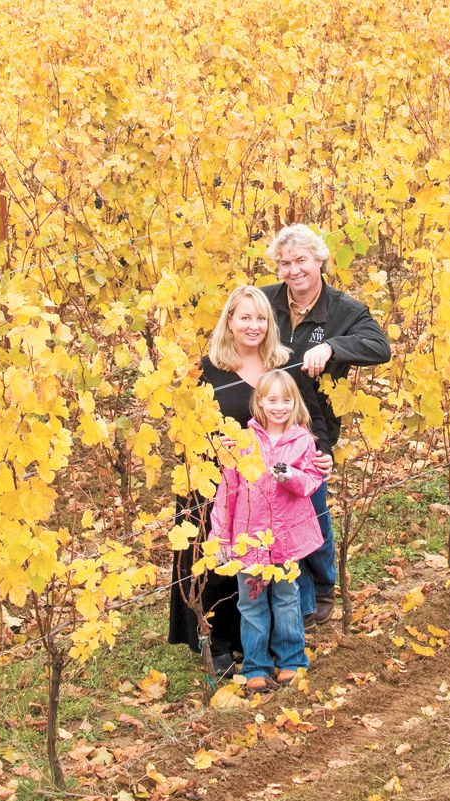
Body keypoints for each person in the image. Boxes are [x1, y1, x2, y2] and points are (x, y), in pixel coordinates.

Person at [167, 286, 330, 676]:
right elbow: (183, 430)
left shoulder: (284, 365)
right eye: (245, 317)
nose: (253, 325)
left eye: (261, 318)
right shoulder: (207, 370)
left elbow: (312, 417)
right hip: (217, 481)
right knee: (218, 559)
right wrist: (210, 443)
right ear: (230, 321)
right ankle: (219, 643)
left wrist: (322, 451)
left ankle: (261, 647)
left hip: (273, 489)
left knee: (266, 566)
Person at [261, 224, 391, 626]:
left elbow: (379, 346)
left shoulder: (343, 310)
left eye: (301, 260)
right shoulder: (266, 300)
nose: (293, 270)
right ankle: (282, 592)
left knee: (311, 505)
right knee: (271, 503)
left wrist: (333, 346)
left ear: (319, 260)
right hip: (265, 421)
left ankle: (320, 589)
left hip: (314, 425)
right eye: (284, 263)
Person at [209, 370, 323, 692]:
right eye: (272, 400)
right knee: (252, 603)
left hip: (286, 540)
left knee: (287, 598)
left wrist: (291, 477)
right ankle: (256, 665)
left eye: (286, 400)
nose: (279, 407)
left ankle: (291, 661)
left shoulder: (302, 441)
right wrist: (220, 535)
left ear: (294, 403)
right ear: (259, 402)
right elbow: (227, 490)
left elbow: (311, 481)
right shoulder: (244, 442)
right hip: (249, 540)